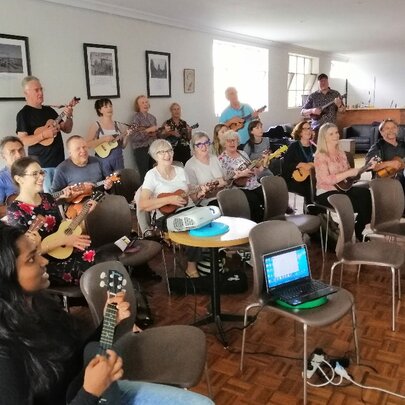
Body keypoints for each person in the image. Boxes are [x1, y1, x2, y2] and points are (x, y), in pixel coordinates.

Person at [0, 222, 214, 405]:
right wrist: (90, 392)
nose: (44, 261)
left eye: (38, 252)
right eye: (31, 259)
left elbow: (75, 357)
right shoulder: (5, 356)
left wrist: (108, 324)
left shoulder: (42, 305)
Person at [7, 157, 96, 286]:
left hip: (65, 250)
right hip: (43, 262)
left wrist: (84, 215)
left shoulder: (47, 198)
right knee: (92, 266)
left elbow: (62, 229)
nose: (41, 177)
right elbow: (25, 254)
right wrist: (64, 241)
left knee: (100, 254)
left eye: (41, 172)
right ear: (19, 179)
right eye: (34, 174)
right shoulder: (15, 211)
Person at [139, 139, 209, 278]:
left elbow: (191, 198)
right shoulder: (151, 175)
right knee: (192, 225)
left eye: (169, 150)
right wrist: (169, 199)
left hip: (188, 209)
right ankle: (191, 267)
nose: (167, 154)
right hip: (165, 217)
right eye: (162, 152)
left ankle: (210, 259)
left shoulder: (181, 171)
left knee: (209, 217)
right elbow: (143, 204)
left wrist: (200, 193)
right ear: (155, 155)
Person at [314, 123, 375, 240]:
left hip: (343, 188)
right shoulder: (320, 156)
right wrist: (348, 173)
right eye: (331, 134)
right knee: (359, 204)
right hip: (326, 192)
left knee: (367, 195)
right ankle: (350, 234)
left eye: (336, 132)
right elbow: (325, 179)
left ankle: (358, 228)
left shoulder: (341, 153)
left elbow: (349, 178)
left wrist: (364, 169)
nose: (336, 135)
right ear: (324, 137)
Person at [16, 76, 75, 192]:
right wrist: (43, 135)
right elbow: (22, 140)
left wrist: (69, 116)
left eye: (41, 89)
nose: (40, 93)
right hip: (42, 167)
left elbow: (67, 129)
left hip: (60, 163)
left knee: (64, 197)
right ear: (26, 93)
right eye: (36, 90)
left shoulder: (49, 111)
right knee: (50, 200)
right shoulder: (23, 114)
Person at [218, 130, 265, 223]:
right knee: (255, 202)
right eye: (229, 140)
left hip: (254, 184)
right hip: (238, 188)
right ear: (224, 143)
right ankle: (255, 226)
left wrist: (262, 165)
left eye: (234, 140)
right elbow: (227, 178)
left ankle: (267, 222)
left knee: (267, 197)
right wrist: (241, 174)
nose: (232, 143)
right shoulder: (222, 158)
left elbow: (253, 170)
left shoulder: (242, 153)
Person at [86, 98, 130, 174]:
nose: (109, 108)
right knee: (107, 183)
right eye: (106, 107)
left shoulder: (118, 125)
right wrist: (104, 139)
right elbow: (87, 144)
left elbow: (123, 146)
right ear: (100, 110)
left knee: (120, 182)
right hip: (103, 161)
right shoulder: (96, 125)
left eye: (110, 106)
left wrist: (127, 136)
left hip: (118, 160)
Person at [185, 131, 228, 206]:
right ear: (193, 148)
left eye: (206, 143)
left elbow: (226, 179)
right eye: (199, 145)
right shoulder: (190, 165)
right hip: (207, 202)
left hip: (224, 195)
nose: (204, 147)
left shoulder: (214, 158)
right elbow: (193, 196)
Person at [366, 118, 405, 193]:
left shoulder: (403, 144)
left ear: (397, 130)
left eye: (394, 128)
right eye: (387, 128)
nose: (391, 130)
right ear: (381, 132)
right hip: (384, 180)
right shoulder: (378, 147)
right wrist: (389, 163)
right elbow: (369, 166)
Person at [282, 121, 316, 205]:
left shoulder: (315, 147)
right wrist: (301, 164)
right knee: (309, 187)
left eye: (309, 128)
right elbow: (285, 165)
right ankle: (312, 210)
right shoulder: (294, 146)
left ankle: (320, 211)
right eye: (305, 129)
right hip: (294, 178)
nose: (308, 131)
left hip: (312, 177)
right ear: (299, 132)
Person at [129, 95, 159, 182]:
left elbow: (156, 135)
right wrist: (148, 130)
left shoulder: (152, 118)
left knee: (154, 172)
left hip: (153, 148)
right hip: (141, 149)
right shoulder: (136, 118)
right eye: (142, 103)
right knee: (144, 174)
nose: (145, 104)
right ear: (138, 106)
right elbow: (134, 137)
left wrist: (157, 132)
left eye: (146, 102)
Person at [0, 136, 26, 217]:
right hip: (14, 226)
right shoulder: (1, 178)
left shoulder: (35, 172)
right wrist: (24, 208)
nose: (19, 155)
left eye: (20, 150)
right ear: (3, 156)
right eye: (12, 152)